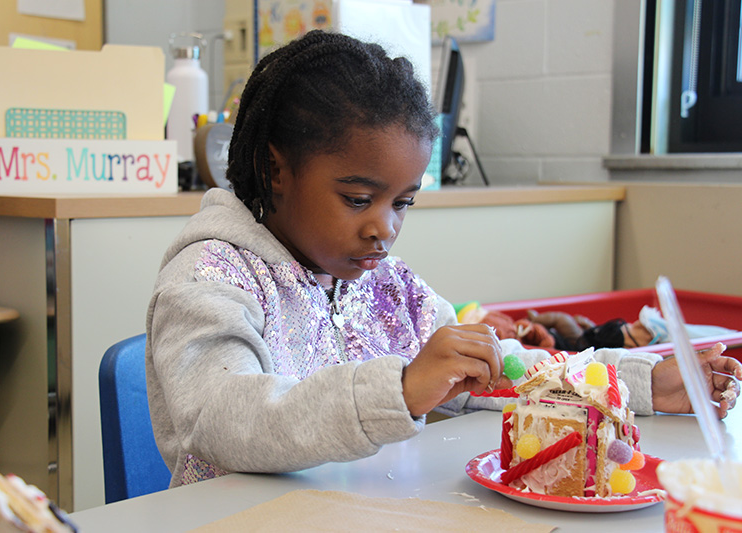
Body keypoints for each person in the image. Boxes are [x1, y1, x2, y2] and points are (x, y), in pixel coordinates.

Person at [146, 30, 742, 488]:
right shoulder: (209, 278)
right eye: (358, 199)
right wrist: (401, 389)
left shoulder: (391, 290)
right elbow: (226, 419)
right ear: (276, 169)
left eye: (402, 202)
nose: (385, 228)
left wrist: (641, 384)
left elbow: (502, 370)